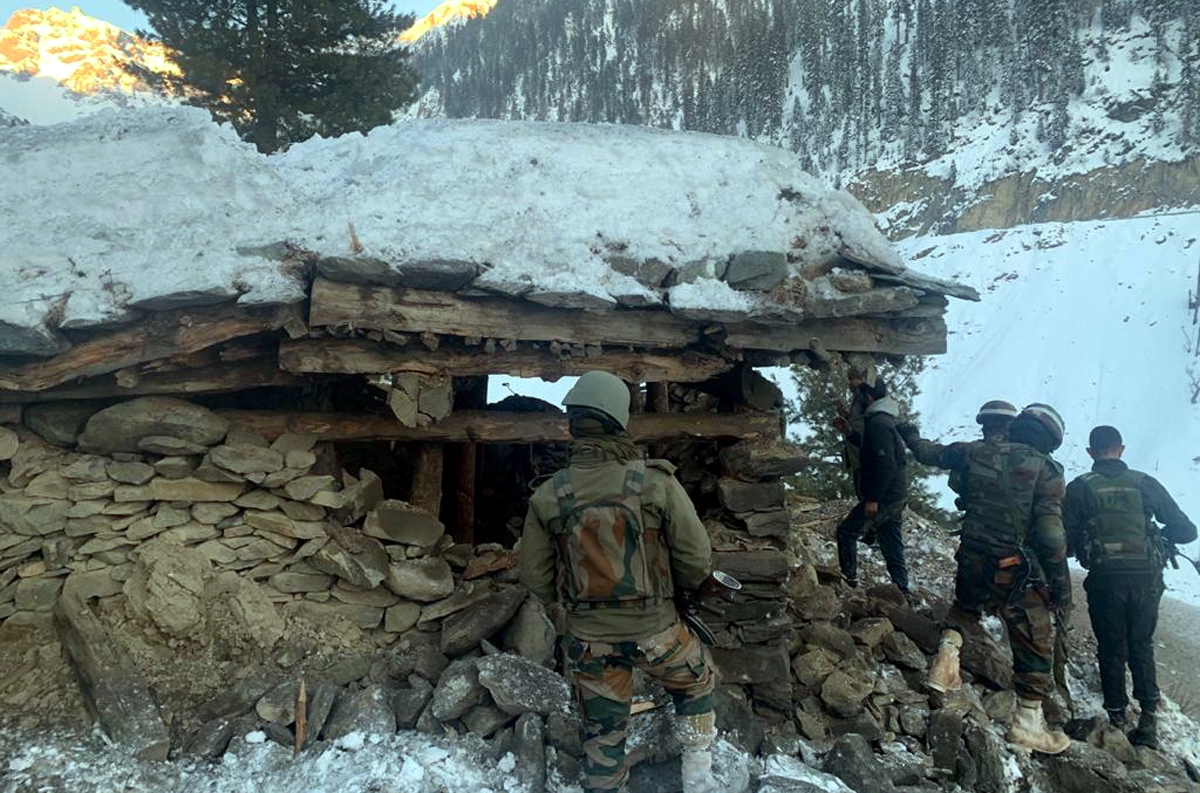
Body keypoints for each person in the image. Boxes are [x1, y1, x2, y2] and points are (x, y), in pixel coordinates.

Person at [518, 371, 719, 793]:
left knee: (603, 731)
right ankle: (699, 778)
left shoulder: (550, 494)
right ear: (618, 419)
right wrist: (682, 594)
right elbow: (695, 557)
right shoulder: (656, 482)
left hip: (589, 641)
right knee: (697, 682)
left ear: (574, 423)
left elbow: (535, 577)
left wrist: (570, 607)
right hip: (657, 632)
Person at [900, 403, 1072, 755]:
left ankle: (945, 665)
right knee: (1035, 636)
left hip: (971, 556)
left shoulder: (975, 451)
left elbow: (928, 454)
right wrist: (1057, 582)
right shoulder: (1046, 469)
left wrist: (910, 435)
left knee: (965, 610)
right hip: (1013, 568)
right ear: (1050, 441)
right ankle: (1027, 723)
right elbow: (1051, 535)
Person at [1064, 425, 1197, 749]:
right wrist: (1156, 536)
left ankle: (1117, 721)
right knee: (1141, 644)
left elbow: (1065, 541)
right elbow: (1186, 530)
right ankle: (1148, 722)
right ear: (1121, 449)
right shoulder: (1144, 483)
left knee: (1111, 647)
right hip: (1146, 578)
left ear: (1090, 452)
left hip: (1105, 579)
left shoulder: (1080, 487)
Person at [835, 378, 909, 593]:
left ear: (868, 398)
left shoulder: (878, 423)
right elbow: (872, 448)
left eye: (860, 396)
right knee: (891, 541)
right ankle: (902, 590)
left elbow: (885, 464)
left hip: (885, 496)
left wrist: (873, 499)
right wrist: (850, 433)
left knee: (846, 532)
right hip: (896, 494)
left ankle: (848, 582)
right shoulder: (883, 418)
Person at [832, 367, 870, 498]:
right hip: (855, 453)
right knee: (861, 490)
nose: (849, 383)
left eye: (851, 379)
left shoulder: (864, 393)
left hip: (863, 453)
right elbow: (857, 419)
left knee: (866, 493)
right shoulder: (857, 397)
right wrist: (845, 416)